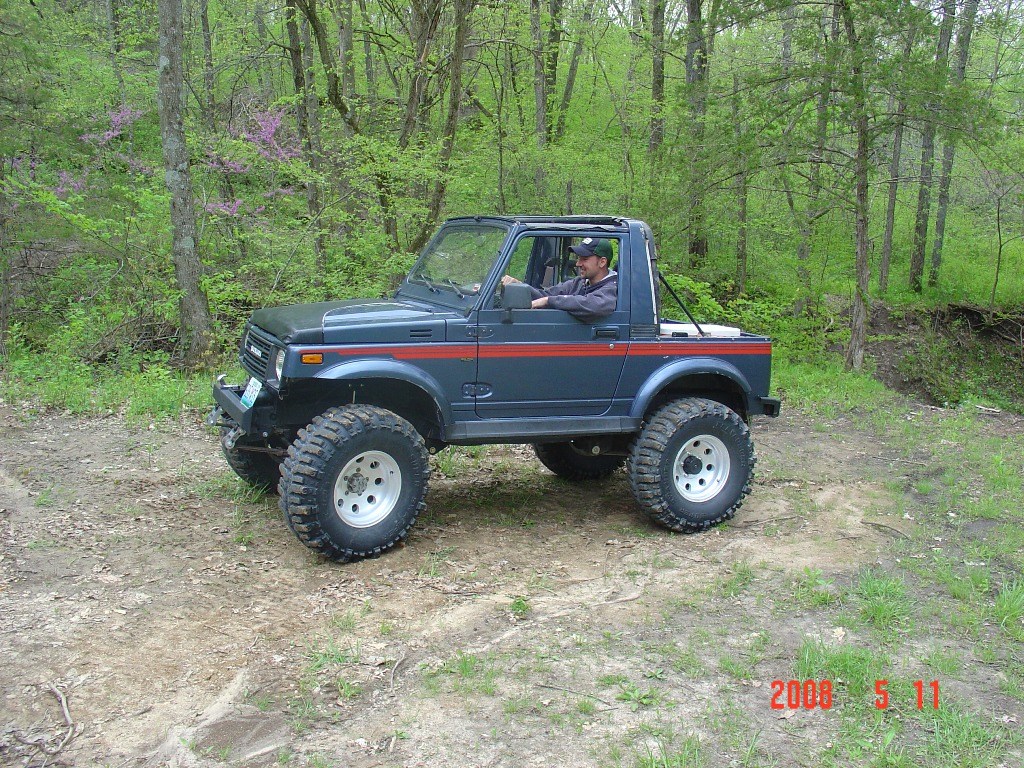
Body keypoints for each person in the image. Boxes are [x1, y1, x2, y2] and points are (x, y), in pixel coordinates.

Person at [500, 237, 617, 323]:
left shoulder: (613, 288)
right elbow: (544, 295)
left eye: (584, 259)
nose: (577, 263)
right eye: (578, 259)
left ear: (602, 262)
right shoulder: (578, 283)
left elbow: (592, 305)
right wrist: (519, 286)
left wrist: (548, 301)